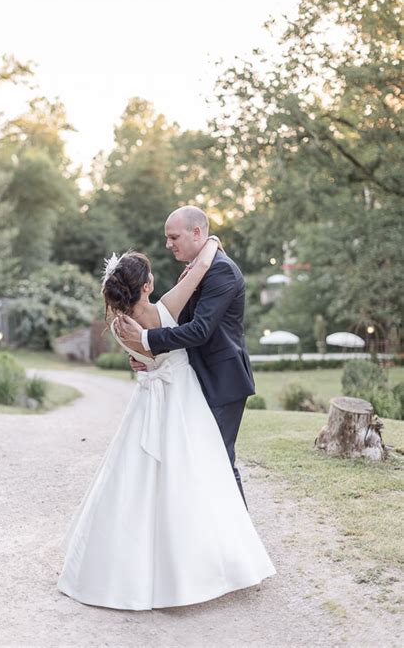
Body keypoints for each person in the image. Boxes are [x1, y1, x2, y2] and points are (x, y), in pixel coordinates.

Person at [57, 238, 275, 611]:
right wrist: (213, 242)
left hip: (147, 403)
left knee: (136, 482)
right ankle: (205, 563)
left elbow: (148, 352)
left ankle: (122, 570)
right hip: (183, 399)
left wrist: (142, 354)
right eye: (151, 275)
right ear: (146, 286)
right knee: (200, 476)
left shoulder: (120, 325)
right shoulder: (163, 310)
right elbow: (201, 270)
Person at [116, 205, 255, 505]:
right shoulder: (196, 268)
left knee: (218, 459)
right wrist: (148, 355)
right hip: (195, 377)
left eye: (173, 237)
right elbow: (175, 322)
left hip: (221, 380)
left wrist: (146, 340)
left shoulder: (221, 271)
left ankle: (240, 534)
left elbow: (199, 330)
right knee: (197, 460)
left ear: (196, 233)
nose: (168, 244)